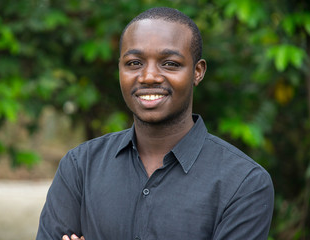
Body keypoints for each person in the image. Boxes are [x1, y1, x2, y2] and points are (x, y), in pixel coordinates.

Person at [36, 7, 274, 240]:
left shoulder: (244, 183)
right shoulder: (81, 167)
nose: (149, 76)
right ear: (120, 68)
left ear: (197, 72)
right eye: (134, 63)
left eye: (170, 63)